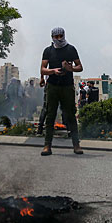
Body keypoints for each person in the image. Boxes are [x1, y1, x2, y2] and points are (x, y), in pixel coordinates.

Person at [40, 27, 83, 155]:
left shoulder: (71, 49)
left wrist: (71, 69)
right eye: (56, 36)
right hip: (53, 86)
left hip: (67, 86)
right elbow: (43, 68)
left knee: (70, 115)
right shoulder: (48, 51)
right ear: (52, 37)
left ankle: (76, 145)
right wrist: (53, 71)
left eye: (61, 36)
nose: (59, 39)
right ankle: (47, 145)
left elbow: (80, 67)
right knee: (50, 115)